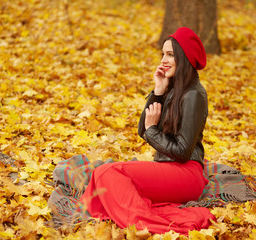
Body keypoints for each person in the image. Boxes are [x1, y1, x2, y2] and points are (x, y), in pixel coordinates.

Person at [77, 27, 216, 235]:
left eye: (170, 54)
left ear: (184, 57)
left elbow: (182, 151)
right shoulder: (172, 88)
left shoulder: (194, 95)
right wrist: (158, 91)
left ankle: (142, 221)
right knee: (104, 174)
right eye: (163, 54)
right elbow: (143, 129)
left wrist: (153, 130)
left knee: (107, 172)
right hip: (168, 169)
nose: (164, 60)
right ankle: (139, 210)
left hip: (186, 174)